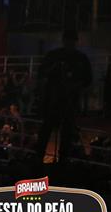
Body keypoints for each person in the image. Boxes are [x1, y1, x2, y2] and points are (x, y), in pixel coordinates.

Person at [34, 29, 92, 166]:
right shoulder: (57, 56)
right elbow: (42, 73)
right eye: (68, 41)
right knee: (49, 129)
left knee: (64, 131)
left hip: (68, 100)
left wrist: (75, 86)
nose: (70, 43)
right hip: (55, 100)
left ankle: (58, 159)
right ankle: (42, 158)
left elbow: (87, 80)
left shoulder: (78, 58)